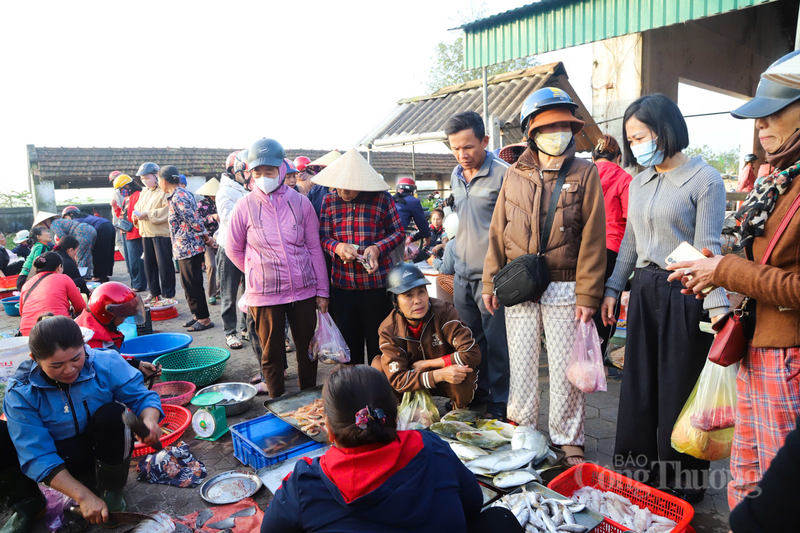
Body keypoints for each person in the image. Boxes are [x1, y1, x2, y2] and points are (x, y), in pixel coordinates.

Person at [665, 49, 800, 509]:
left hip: (789, 358)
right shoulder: (778, 180)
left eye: (774, 113)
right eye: (757, 118)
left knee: (778, 490)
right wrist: (712, 270)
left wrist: (724, 269)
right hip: (757, 348)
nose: (761, 127)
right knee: (746, 477)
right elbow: (763, 265)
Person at [598, 93, 729, 502]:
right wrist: (613, 288)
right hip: (644, 290)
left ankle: (681, 484)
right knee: (637, 386)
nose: (637, 145)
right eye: (632, 139)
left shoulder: (705, 180)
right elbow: (631, 244)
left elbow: (710, 250)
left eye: (642, 136)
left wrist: (720, 312)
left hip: (686, 292)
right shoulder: (639, 181)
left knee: (678, 389)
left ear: (665, 130)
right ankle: (637, 473)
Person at [482, 88, 606, 465]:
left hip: (566, 284)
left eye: (563, 126)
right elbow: (498, 230)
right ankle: (523, 428)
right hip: (520, 284)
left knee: (566, 369)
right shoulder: (515, 173)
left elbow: (593, 238)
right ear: (531, 133)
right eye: (548, 127)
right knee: (520, 363)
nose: (557, 133)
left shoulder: (585, 172)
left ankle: (568, 436)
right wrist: (490, 282)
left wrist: (588, 295)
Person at [260, 365, 520, 533]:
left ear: (328, 428)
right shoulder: (432, 448)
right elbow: (472, 504)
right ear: (395, 417)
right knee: (499, 520)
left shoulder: (304, 484)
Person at [1, 316, 163, 527]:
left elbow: (142, 397)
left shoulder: (106, 362)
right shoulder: (21, 392)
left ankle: (111, 491)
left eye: (76, 358)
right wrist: (84, 497)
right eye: (57, 365)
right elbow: (36, 453)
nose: (69, 370)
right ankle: (28, 505)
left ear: (85, 347)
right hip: (55, 461)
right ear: (34, 359)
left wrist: (149, 421)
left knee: (115, 413)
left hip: (98, 452)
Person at [227, 138, 329, 398]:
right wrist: (255, 272)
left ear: (282, 170)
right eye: (257, 172)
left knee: (308, 349)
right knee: (270, 352)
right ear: (250, 172)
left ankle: (309, 398)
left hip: (303, 290)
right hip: (264, 294)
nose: (263, 177)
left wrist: (322, 290)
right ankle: (276, 400)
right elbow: (234, 249)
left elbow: (314, 247)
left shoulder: (301, 203)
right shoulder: (244, 206)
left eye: (269, 171)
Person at [444, 110, 510, 420]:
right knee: (471, 340)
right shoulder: (456, 175)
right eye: (455, 148)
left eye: (468, 146)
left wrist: (497, 275)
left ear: (484, 140)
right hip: (462, 275)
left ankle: (500, 400)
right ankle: (477, 391)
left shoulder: (505, 174)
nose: (462, 154)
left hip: (492, 277)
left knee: (498, 344)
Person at [315, 148, 404, 365]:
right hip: (342, 287)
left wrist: (377, 248)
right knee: (347, 349)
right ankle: (353, 394)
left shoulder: (382, 199)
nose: (344, 192)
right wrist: (337, 247)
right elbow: (323, 237)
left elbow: (398, 232)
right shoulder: (329, 201)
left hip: (376, 287)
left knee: (379, 346)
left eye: (350, 187)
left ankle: (379, 392)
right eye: (340, 186)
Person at [373, 264, 479, 408]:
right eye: (408, 295)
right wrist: (438, 374)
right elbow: (398, 380)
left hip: (444, 380)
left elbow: (472, 353)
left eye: (421, 291)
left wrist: (429, 364)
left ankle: (457, 409)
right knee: (378, 366)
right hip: (414, 380)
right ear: (395, 301)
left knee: (465, 370)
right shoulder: (388, 329)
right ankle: (399, 411)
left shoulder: (444, 311)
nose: (417, 300)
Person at [590, 134, 633, 369]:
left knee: (585, 301)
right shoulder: (624, 178)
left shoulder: (584, 174)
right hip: (613, 250)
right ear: (618, 157)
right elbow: (631, 219)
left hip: (584, 250)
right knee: (608, 304)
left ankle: (579, 354)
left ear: (594, 156)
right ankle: (597, 358)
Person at [159, 165, 214, 332]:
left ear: (164, 181)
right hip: (183, 247)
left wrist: (206, 237)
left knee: (193, 283)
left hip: (190, 246)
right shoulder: (178, 195)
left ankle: (204, 318)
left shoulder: (179, 196)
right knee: (187, 283)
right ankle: (197, 315)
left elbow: (194, 220)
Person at [217, 151, 249, 350]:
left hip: (249, 247)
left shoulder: (248, 187)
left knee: (250, 291)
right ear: (233, 171)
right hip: (229, 246)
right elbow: (227, 216)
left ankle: (246, 328)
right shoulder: (225, 190)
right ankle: (230, 331)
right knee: (229, 292)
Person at [133, 162, 176, 303]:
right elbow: (137, 207)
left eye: (147, 177)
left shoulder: (163, 190)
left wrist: (148, 214)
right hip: (146, 233)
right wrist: (136, 215)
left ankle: (168, 294)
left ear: (156, 176)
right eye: (142, 178)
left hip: (161, 234)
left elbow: (167, 210)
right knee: (149, 265)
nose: (144, 181)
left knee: (164, 265)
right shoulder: (144, 192)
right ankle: (154, 292)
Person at [18, 252, 86, 336]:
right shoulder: (64, 278)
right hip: (58, 332)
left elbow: (22, 312)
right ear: (59, 267)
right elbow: (81, 307)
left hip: (28, 335)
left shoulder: (26, 284)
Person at [61, 207, 115, 282]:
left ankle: (99, 276)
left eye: (65, 217)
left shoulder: (74, 222)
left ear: (71, 214)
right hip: (109, 225)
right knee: (107, 251)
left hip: (101, 228)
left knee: (99, 252)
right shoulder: (84, 217)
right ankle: (104, 274)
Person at [113, 174, 147, 292]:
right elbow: (122, 216)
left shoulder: (138, 196)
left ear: (127, 186)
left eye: (121, 189)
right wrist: (116, 207)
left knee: (136, 261)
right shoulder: (127, 199)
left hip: (135, 233)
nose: (121, 192)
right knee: (130, 262)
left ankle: (139, 284)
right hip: (126, 233)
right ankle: (135, 283)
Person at [195, 178, 221, 305]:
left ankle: (220, 290)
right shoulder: (201, 204)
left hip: (222, 239)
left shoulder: (223, 201)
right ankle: (212, 294)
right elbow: (198, 222)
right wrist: (212, 217)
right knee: (211, 266)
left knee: (223, 266)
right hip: (208, 239)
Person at [393, 177, 431, 247]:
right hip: (396, 235)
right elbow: (421, 221)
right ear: (412, 190)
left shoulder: (392, 199)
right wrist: (427, 236)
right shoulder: (413, 201)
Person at [16, 226, 55, 290]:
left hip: (25, 278)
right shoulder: (40, 246)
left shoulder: (40, 246)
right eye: (46, 232)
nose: (49, 233)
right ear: (39, 237)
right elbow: (36, 264)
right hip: (26, 279)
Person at [109, 170, 127, 264]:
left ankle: (129, 262)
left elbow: (118, 207)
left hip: (121, 221)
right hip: (129, 220)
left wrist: (115, 224)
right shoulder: (127, 188)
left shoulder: (116, 191)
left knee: (119, 242)